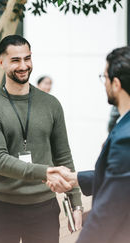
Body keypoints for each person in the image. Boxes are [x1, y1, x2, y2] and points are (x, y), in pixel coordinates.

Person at [0, 34, 82, 243]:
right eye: (15, 60)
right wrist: (45, 172)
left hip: (43, 207)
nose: (23, 66)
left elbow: (63, 155)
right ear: (1, 62)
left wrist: (75, 202)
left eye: (27, 58)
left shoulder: (51, 104)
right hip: (1, 207)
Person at [47, 46, 130, 243]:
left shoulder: (125, 137)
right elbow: (119, 179)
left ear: (116, 84)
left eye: (105, 77)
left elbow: (109, 209)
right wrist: (74, 178)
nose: (104, 84)